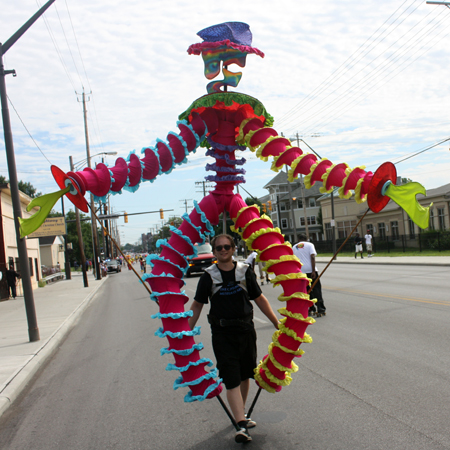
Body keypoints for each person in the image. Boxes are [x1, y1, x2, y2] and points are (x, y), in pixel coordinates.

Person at [189, 234, 279, 443]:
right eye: (219, 247)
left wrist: (276, 322)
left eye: (226, 246)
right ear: (214, 250)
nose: (223, 250)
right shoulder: (208, 276)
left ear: (233, 248)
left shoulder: (244, 272)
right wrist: (185, 333)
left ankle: (242, 414)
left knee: (245, 375)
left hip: (246, 330)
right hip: (222, 334)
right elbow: (197, 306)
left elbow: (259, 299)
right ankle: (241, 425)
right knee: (231, 378)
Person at [292, 234, 326, 317]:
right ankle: (320, 309)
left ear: (299, 239)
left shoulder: (294, 247)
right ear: (306, 239)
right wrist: (313, 271)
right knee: (316, 289)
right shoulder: (310, 245)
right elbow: (312, 257)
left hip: (300, 272)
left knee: (306, 291)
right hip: (310, 271)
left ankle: (311, 309)